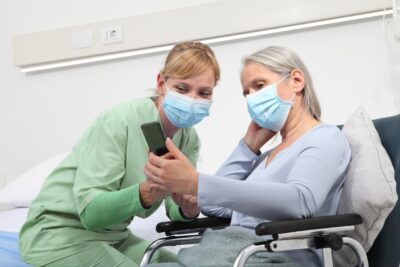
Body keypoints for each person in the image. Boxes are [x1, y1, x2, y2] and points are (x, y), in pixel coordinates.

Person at [145, 46, 351, 267]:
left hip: (274, 258)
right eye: (247, 93)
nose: (252, 98)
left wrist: (198, 183)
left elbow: (300, 200)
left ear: (296, 81)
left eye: (259, 86)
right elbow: (215, 206)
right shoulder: (268, 156)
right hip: (232, 254)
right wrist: (248, 146)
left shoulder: (325, 137)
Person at [19, 41, 220, 267]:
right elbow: (91, 214)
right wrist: (146, 193)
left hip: (114, 237)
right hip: (60, 234)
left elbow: (175, 206)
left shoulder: (189, 139)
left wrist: (189, 207)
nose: (192, 100)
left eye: (204, 93)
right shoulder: (118, 121)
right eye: (182, 89)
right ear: (161, 83)